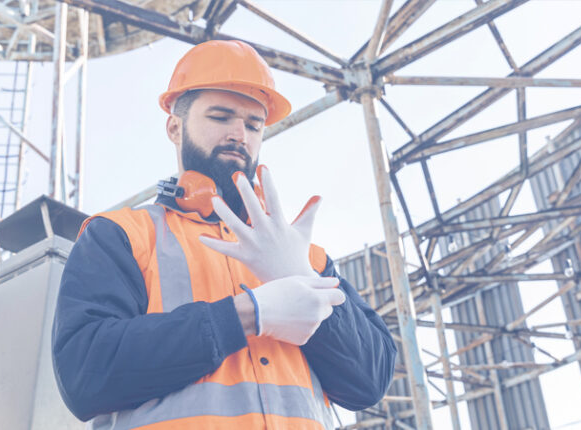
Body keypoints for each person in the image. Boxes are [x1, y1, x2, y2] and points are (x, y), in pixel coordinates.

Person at [52, 39, 397, 430]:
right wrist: (247, 314)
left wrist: (300, 276)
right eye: (220, 117)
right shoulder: (123, 235)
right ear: (174, 127)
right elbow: (85, 374)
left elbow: (370, 381)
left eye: (254, 124)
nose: (240, 134)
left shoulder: (306, 256)